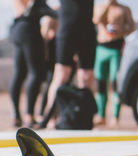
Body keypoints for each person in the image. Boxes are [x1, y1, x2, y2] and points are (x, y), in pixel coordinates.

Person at [39, 0, 97, 128]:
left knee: (86, 76)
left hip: (87, 28)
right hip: (67, 27)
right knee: (61, 75)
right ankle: (50, 118)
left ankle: (84, 118)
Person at [9, 0, 57, 127]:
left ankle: (16, 115)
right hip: (30, 30)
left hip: (17, 29)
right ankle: (29, 115)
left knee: (19, 73)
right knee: (36, 73)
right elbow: (46, 11)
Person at [93, 0, 135, 126]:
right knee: (100, 82)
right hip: (101, 48)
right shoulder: (99, 7)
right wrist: (107, 5)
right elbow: (96, 20)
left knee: (114, 81)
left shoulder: (124, 9)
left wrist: (120, 29)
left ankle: (116, 116)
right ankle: (101, 115)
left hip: (115, 49)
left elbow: (131, 26)